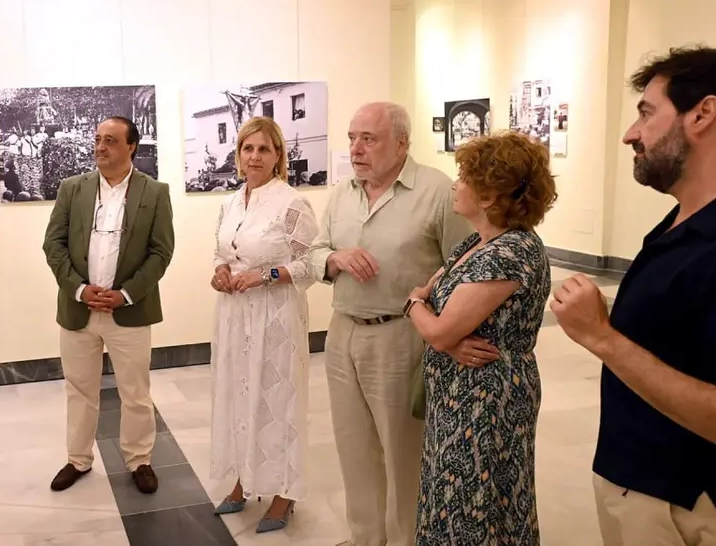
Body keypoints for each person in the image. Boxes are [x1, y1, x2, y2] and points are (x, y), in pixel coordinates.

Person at [550, 45, 716, 545]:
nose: (630, 133)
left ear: (703, 114)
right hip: (636, 483)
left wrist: (601, 337)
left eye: (646, 112)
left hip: (679, 503)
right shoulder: (677, 224)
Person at [309, 102, 475, 546]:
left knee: (403, 454)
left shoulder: (437, 191)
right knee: (354, 450)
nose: (356, 149)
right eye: (351, 138)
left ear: (402, 143)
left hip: (401, 336)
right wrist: (333, 258)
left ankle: (407, 540)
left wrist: (450, 332)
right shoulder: (343, 193)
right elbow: (314, 252)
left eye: (368, 138)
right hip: (343, 331)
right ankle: (366, 538)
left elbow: (463, 269)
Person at [404, 131, 558, 545]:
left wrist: (413, 305)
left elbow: (436, 326)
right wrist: (438, 324)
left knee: (480, 505)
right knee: (452, 498)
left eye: (464, 178)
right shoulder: (478, 243)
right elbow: (440, 311)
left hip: (486, 405)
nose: (455, 185)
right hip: (459, 398)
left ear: (489, 196)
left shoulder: (509, 253)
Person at [41, 115, 175, 495]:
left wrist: (126, 293)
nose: (100, 147)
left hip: (128, 311)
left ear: (132, 146)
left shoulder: (155, 192)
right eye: (98, 139)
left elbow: (161, 252)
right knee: (79, 389)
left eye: (111, 141)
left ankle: (139, 459)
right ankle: (78, 459)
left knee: (135, 391)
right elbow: (54, 245)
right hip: (79, 310)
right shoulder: (72, 189)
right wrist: (80, 290)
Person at [208, 116, 320, 533]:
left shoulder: (291, 203)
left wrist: (265, 275)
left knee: (277, 399)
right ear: (238, 155)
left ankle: (284, 492)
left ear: (278, 156)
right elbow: (223, 250)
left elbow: (311, 264)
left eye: (263, 150)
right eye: (247, 149)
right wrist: (220, 271)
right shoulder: (232, 201)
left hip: (276, 317)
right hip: (235, 315)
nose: (254, 157)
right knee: (238, 395)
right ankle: (241, 481)